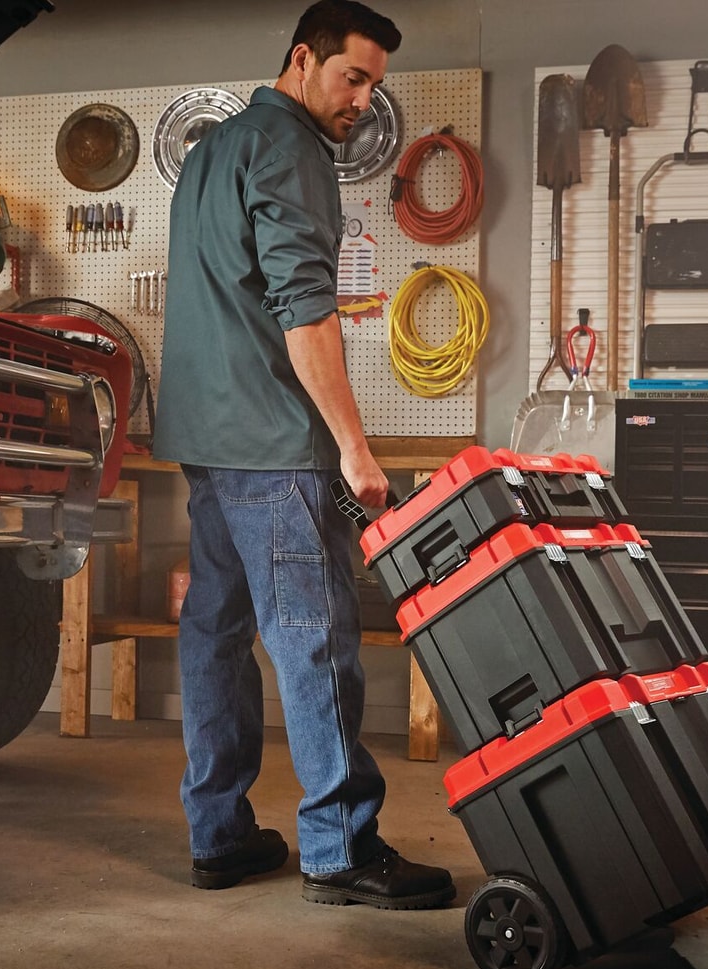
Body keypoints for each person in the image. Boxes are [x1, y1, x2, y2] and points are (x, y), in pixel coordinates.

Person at [151, 0, 454, 910]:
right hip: (276, 448)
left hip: (207, 445)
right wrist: (356, 450)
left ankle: (220, 838)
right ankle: (341, 848)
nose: (362, 99)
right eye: (352, 77)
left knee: (215, 638)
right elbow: (305, 309)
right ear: (302, 60)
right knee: (315, 645)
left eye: (374, 85)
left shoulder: (211, 150)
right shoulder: (290, 149)